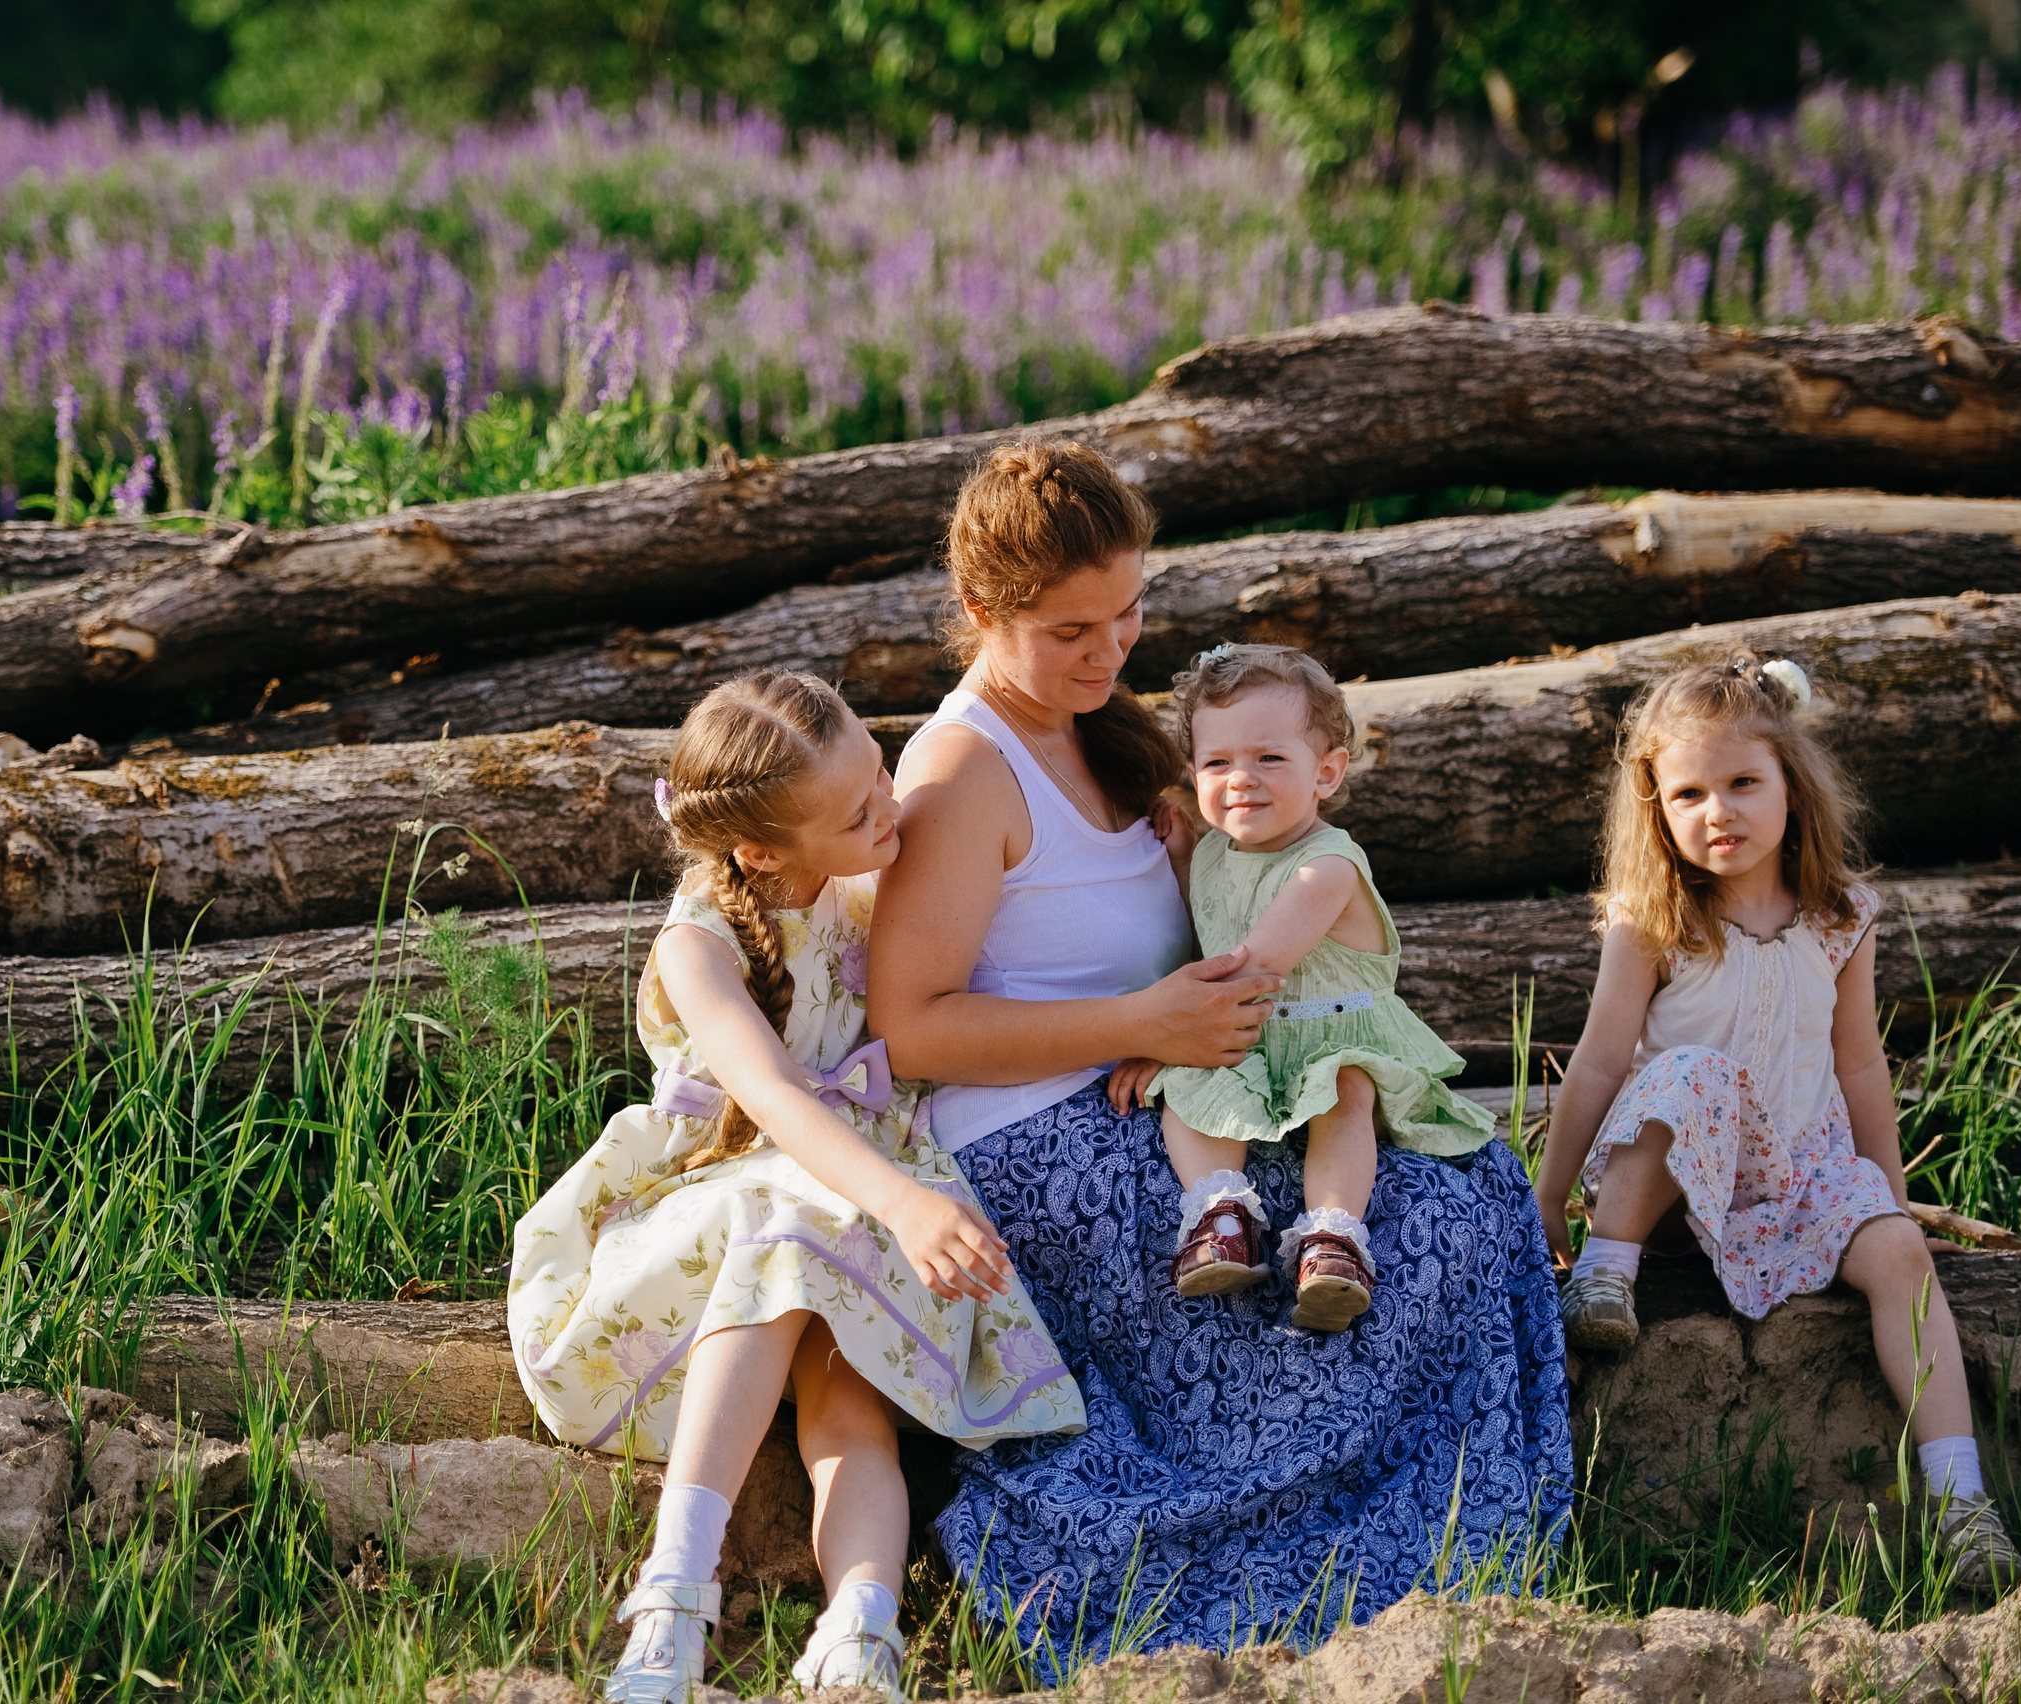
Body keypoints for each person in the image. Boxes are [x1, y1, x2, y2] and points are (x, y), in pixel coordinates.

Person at [869, 441, 1569, 1668]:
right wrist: (1139, 1027)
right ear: (980, 613)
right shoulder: (963, 765)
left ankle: (1431, 1550)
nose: (1108, 650)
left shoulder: (1103, 727)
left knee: (1453, 1189)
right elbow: (913, 1028)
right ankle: (1276, 1576)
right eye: (1070, 629)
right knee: (1361, 1252)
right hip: (1035, 1139)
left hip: (1165, 1084)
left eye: (1128, 613)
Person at [508, 670, 1086, 1704]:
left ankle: (860, 1626)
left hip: (846, 1201)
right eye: (861, 809)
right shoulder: (700, 941)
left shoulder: (880, 876)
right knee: (784, 1222)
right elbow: (772, 1100)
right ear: (762, 850)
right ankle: (673, 1594)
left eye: (882, 772)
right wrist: (906, 1202)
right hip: (707, 1205)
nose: (893, 810)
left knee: (847, 1387)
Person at [1534, 656, 2021, 1590]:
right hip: (1672, 1187)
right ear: (1657, 810)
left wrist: (1892, 1198)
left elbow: (1859, 1066)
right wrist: (1551, 1197)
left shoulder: (1842, 918)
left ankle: (1962, 1504)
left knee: (1900, 1263)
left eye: (1742, 783)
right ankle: (1605, 1279)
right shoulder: (1655, 920)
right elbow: (1599, 1063)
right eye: (1689, 793)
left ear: (1791, 787)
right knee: (1691, 1077)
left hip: (1800, 1175)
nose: (1718, 811)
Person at [1106, 643, 1498, 1326]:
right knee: (1191, 1095)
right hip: (1254, 1037)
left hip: (1332, 1036)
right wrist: (1176, 860)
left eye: (1270, 759)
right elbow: (1209, 934)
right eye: (1218, 762)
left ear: (1327, 772)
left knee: (1343, 1093)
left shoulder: (1328, 866)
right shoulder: (1210, 855)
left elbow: (1253, 965)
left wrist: (1158, 1037)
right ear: (1193, 770)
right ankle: (1221, 1215)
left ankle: (1333, 1239)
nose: (1241, 780)